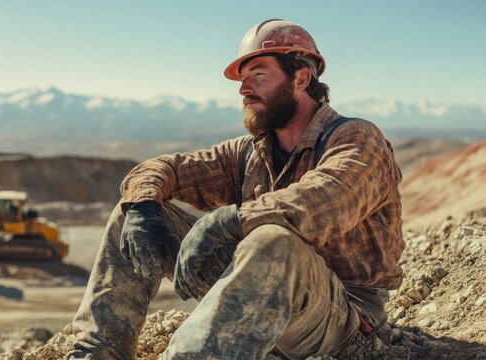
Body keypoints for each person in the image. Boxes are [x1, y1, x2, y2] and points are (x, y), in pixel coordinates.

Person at [67, 18, 404, 359]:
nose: (243, 90)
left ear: (301, 78)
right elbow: (164, 167)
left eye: (258, 74)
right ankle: (97, 351)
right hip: (260, 297)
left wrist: (227, 222)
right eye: (242, 80)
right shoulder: (250, 152)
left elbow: (328, 199)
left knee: (272, 240)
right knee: (132, 214)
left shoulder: (356, 138)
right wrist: (143, 206)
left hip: (341, 320)